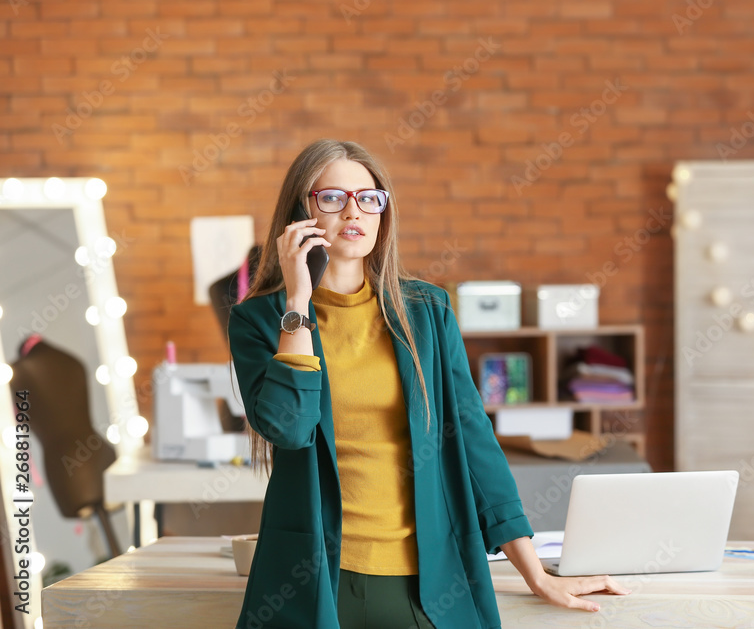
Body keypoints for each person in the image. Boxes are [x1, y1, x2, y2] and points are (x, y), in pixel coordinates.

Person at [228, 139, 630, 629]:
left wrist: (536, 574)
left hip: (427, 582)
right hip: (315, 582)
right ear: (300, 214)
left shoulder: (426, 311)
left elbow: (475, 440)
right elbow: (288, 429)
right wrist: (298, 299)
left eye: (368, 197)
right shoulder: (261, 320)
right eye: (332, 197)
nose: (354, 210)